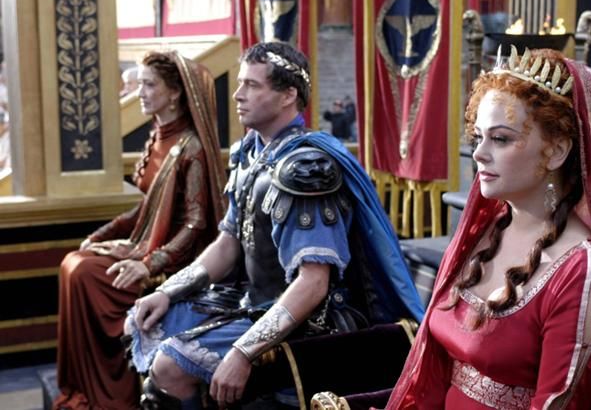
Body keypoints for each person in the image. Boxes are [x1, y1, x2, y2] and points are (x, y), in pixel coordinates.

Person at [124, 41, 424, 409]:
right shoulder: (250, 153)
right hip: (253, 301)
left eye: (252, 85)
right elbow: (228, 243)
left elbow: (314, 283)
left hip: (313, 321)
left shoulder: (306, 169)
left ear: (288, 95)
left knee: (170, 366)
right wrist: (167, 291)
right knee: (145, 321)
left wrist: (242, 352)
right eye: (240, 83)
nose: (237, 94)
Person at [386, 47, 591, 409]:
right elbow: (433, 375)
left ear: (557, 151)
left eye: (500, 139)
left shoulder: (582, 272)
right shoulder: (484, 233)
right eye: (478, 137)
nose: (479, 153)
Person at [54, 51, 228, 409]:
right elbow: (144, 208)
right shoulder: (158, 136)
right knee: (73, 262)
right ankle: (88, 387)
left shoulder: (191, 147)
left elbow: (195, 225)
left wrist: (148, 265)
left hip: (177, 261)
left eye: (149, 85)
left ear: (175, 93)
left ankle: (114, 395)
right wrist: (99, 237)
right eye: (141, 85)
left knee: (84, 273)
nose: (141, 93)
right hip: (147, 245)